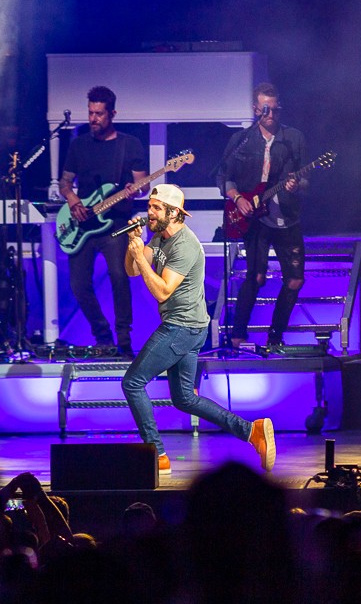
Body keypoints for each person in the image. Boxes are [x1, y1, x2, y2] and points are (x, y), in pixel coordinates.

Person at [121, 184, 275, 473]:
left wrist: (140, 256)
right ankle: (251, 432)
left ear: (174, 213)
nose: (149, 212)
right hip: (189, 327)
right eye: (149, 206)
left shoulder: (186, 245)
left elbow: (163, 292)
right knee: (185, 398)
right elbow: (132, 271)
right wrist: (135, 245)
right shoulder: (159, 237)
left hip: (182, 328)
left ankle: (156, 454)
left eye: (156, 208)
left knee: (132, 382)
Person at [59, 86, 148, 357]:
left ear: (112, 114)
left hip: (116, 223)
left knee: (120, 277)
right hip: (83, 222)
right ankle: (102, 335)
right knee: (78, 284)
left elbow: (143, 184)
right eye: (90, 113)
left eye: (99, 114)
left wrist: (137, 189)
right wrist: (73, 200)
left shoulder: (129, 145)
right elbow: (64, 183)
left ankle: (123, 339)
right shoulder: (79, 144)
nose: (93, 118)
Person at [217, 82, 307, 347]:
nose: (271, 115)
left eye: (275, 110)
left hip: (286, 216)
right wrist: (238, 198)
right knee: (255, 276)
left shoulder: (294, 139)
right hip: (255, 218)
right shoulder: (241, 140)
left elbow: (306, 180)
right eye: (265, 110)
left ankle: (275, 336)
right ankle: (237, 335)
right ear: (255, 109)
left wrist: (296, 184)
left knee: (295, 280)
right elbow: (224, 177)